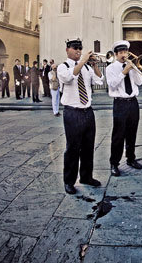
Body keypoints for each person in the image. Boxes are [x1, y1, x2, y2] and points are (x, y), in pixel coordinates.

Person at [57, 38, 104, 194]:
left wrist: (94, 65)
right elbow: (69, 77)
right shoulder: (62, 67)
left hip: (87, 112)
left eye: (80, 48)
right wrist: (83, 61)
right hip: (72, 112)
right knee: (72, 148)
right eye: (75, 48)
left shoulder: (86, 68)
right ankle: (69, 181)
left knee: (88, 147)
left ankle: (86, 177)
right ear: (67, 50)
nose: (78, 50)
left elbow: (99, 80)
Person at [106, 40, 142, 176]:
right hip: (120, 103)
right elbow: (112, 86)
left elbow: (139, 82)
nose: (124, 55)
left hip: (133, 102)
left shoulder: (132, 65)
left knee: (132, 132)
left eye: (125, 52)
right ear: (116, 54)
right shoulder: (111, 68)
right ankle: (114, 163)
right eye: (121, 52)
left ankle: (131, 158)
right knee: (118, 135)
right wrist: (124, 72)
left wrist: (135, 69)